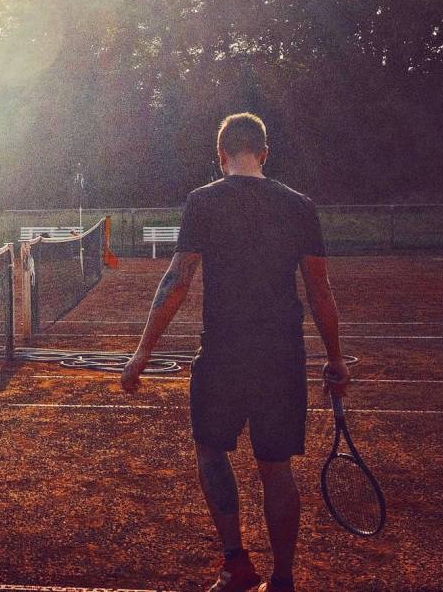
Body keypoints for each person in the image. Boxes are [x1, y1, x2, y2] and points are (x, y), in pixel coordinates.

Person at [120, 113, 349, 592]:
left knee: (210, 451)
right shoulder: (299, 206)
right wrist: (335, 359)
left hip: (223, 352)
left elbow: (177, 280)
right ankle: (282, 579)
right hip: (282, 356)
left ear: (221, 155)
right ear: (264, 154)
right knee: (276, 469)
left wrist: (142, 351)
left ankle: (235, 562)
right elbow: (320, 290)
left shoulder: (203, 201)